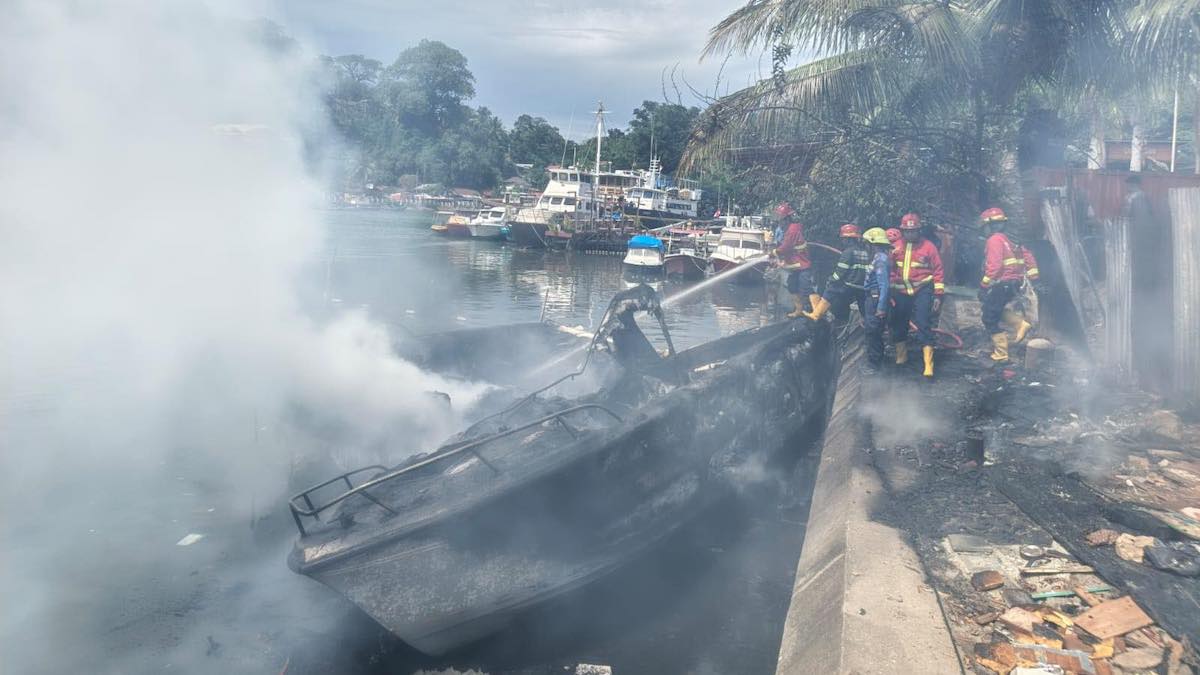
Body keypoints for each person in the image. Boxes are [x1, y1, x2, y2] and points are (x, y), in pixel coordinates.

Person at [978, 207, 1039, 362]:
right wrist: (1034, 277)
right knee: (992, 309)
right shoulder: (1010, 239)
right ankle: (1020, 324)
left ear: (989, 225)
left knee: (989, 318)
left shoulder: (994, 240)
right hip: (1013, 283)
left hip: (1002, 283)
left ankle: (1001, 353)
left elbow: (995, 266)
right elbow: (1028, 257)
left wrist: (984, 285)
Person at [889, 213, 945, 378]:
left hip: (922, 290)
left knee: (923, 323)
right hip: (900, 291)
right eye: (907, 231)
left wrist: (938, 295)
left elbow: (938, 271)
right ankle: (901, 358)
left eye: (913, 231)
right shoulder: (895, 247)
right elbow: (890, 269)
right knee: (899, 323)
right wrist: (890, 289)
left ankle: (928, 365)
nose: (910, 234)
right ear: (903, 231)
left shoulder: (929, 247)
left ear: (918, 230)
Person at [804, 224, 871, 321]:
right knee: (862, 305)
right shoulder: (865, 252)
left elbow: (840, 273)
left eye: (843, 239)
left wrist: (831, 279)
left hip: (850, 285)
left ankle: (816, 314)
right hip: (862, 287)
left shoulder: (848, 252)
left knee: (831, 289)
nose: (842, 241)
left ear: (848, 239)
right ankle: (866, 320)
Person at [771, 202, 814, 318]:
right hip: (796, 266)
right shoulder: (789, 230)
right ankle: (799, 310)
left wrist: (774, 253)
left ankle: (817, 311)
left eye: (780, 221)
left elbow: (786, 247)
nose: (779, 223)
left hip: (802, 265)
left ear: (786, 220)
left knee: (806, 288)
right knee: (792, 285)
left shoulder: (792, 230)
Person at [861, 227, 892, 371]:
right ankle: (876, 362)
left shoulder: (880, 260)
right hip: (872, 298)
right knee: (872, 331)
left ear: (873, 244)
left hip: (875, 299)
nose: (865, 246)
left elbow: (884, 285)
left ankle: (874, 365)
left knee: (873, 331)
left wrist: (881, 307)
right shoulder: (877, 258)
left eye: (866, 244)